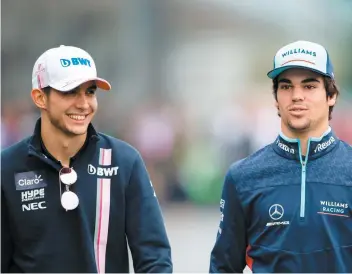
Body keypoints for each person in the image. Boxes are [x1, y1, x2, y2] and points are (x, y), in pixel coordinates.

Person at [1, 45, 172, 273]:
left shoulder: (124, 161)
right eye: (70, 91)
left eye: (90, 92)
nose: (83, 104)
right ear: (40, 97)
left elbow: (155, 259)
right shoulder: (7, 168)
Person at [209, 40, 352, 273]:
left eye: (309, 86)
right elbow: (223, 267)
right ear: (276, 97)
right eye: (286, 87)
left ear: (331, 95)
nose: (296, 96)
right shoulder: (243, 177)